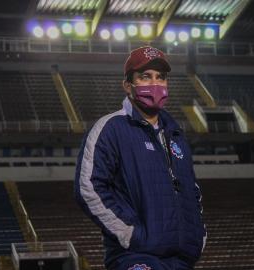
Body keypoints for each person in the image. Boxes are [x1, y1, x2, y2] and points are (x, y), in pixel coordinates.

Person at [74, 46, 207, 270]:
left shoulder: (176, 134)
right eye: (145, 77)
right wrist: (131, 233)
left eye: (161, 77)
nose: (155, 84)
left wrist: (198, 234)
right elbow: (88, 188)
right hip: (135, 257)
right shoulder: (111, 129)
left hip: (182, 259)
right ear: (128, 85)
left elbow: (191, 189)